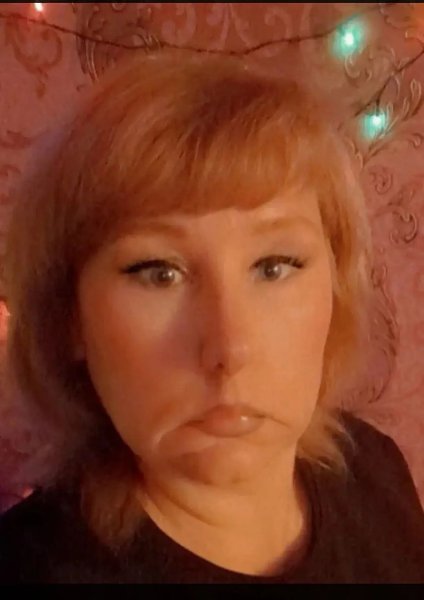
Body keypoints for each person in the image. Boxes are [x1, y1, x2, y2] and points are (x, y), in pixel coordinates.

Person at [0, 50, 422, 584]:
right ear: (70, 317)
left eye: (274, 266)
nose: (229, 349)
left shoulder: (373, 468)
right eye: (158, 273)